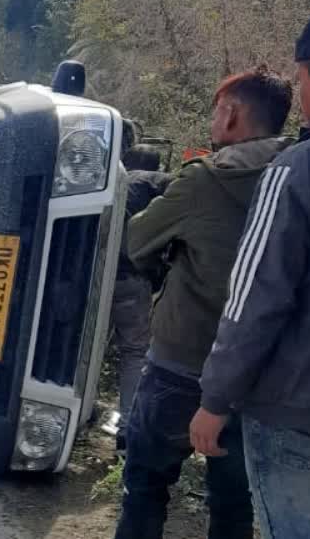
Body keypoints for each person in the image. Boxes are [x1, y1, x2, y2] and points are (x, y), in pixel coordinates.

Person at [115, 67, 294, 539]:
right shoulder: (300, 177)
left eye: (217, 112)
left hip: (180, 364)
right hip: (257, 374)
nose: (213, 122)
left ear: (231, 115)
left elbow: (138, 239)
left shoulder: (205, 181)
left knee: (145, 487)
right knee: (234, 505)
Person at [191, 2, 310, 538]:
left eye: (301, 77)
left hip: (298, 415)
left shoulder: (299, 169)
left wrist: (215, 399)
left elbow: (256, 297)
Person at [103, 142, 173, 453]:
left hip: (90, 278)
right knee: (133, 352)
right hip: (129, 279)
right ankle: (126, 435)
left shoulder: (108, 179)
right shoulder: (152, 180)